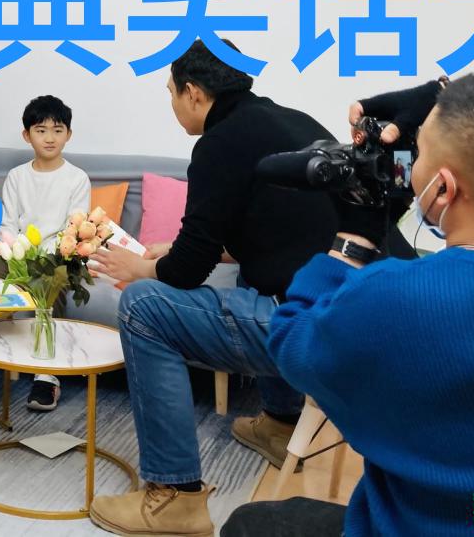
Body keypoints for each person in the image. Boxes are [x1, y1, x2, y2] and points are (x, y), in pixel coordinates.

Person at [223, 67, 474, 537]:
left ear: (443, 188)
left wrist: (353, 237)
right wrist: (443, 95)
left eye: (417, 156)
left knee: (250, 524)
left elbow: (293, 339)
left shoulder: (397, 302)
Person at [88, 39, 347, 537]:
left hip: (311, 328)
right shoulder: (295, 123)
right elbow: (277, 237)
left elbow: (185, 273)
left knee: (143, 306)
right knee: (255, 272)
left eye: (171, 93)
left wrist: (139, 267)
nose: (172, 105)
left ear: (194, 92)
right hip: (356, 310)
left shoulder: (218, 143)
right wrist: (177, 249)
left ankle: (175, 497)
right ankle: (280, 424)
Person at [0, 94, 91, 411]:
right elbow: (8, 223)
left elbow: (74, 228)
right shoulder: (17, 176)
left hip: (58, 256)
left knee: (52, 284)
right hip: (18, 253)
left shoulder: (77, 178)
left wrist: (44, 259)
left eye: (57, 130)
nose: (49, 138)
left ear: (68, 134)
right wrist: (18, 254)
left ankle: (47, 373)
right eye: (41, 130)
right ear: (27, 135)